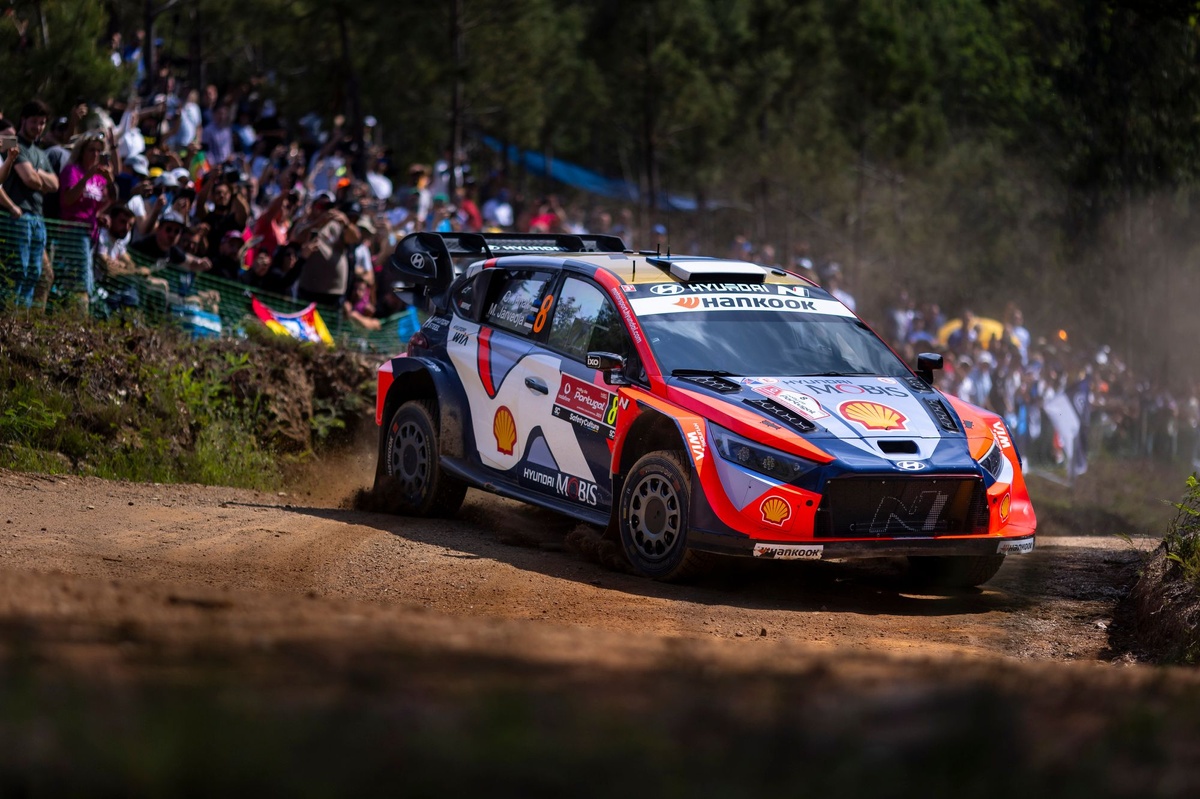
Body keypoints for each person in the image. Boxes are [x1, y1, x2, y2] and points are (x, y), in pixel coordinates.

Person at [2, 99, 59, 307]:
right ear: (23, 120)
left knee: (35, 273)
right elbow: (29, 180)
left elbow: (56, 184)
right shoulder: (12, 143)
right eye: (34, 121)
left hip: (37, 218)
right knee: (18, 270)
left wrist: (37, 174)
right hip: (18, 216)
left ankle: (22, 318)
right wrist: (40, 179)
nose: (38, 127)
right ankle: (8, 314)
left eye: (42, 123)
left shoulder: (40, 152)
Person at [59, 130, 118, 298]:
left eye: (99, 151)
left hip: (90, 234)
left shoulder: (100, 178)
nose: (95, 154)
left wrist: (110, 181)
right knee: (83, 282)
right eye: (91, 150)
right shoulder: (72, 171)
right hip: (74, 230)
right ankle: (79, 312)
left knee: (83, 280)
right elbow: (67, 199)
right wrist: (86, 177)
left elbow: (112, 199)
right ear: (82, 151)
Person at [295, 198, 361, 307]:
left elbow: (355, 237)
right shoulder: (306, 222)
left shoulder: (338, 225)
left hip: (334, 292)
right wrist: (319, 222)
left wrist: (346, 223)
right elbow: (298, 238)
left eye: (330, 206)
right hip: (309, 288)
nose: (326, 210)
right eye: (322, 206)